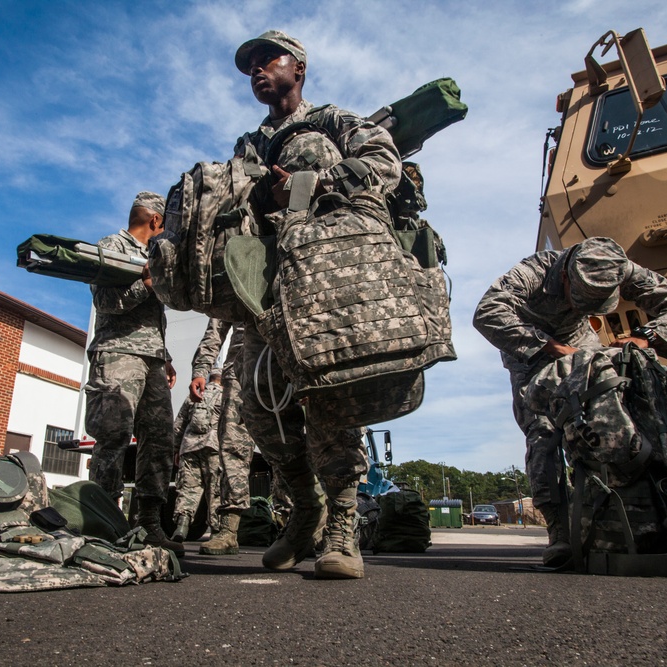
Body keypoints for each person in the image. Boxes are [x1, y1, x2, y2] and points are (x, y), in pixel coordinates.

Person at [230, 30, 402, 578]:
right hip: (265, 284)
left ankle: (343, 528)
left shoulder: (332, 122)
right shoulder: (247, 145)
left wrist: (311, 184)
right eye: (251, 65)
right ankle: (304, 513)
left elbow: (382, 163)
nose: (258, 69)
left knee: (331, 399)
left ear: (298, 68)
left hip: (325, 276)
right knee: (260, 411)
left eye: (267, 59)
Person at [472, 236, 667, 566]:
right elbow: (487, 312)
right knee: (544, 434)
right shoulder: (534, 271)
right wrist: (552, 348)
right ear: (566, 276)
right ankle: (560, 533)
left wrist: (645, 337)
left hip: (584, 347)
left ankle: (627, 517)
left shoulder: (618, 268)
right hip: (532, 355)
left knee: (612, 425)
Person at [83, 191, 183, 555]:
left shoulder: (152, 256)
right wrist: (146, 285)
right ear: (155, 221)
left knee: (159, 441)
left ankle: (149, 525)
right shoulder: (112, 245)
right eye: (165, 225)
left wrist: (166, 356)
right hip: (118, 353)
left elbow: (153, 319)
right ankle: (104, 523)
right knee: (113, 436)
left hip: (153, 359)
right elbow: (106, 303)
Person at [189, 318, 254, 555]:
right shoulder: (235, 279)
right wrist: (201, 370)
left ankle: (296, 527)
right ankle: (228, 530)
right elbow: (216, 328)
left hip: (283, 365)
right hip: (240, 369)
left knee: (287, 447)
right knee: (232, 447)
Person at [170, 367, 223, 542]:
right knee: (215, 490)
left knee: (188, 489)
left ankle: (182, 527)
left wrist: (176, 450)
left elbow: (178, 426)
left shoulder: (193, 395)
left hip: (189, 448)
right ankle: (217, 533)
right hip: (214, 447)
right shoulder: (225, 396)